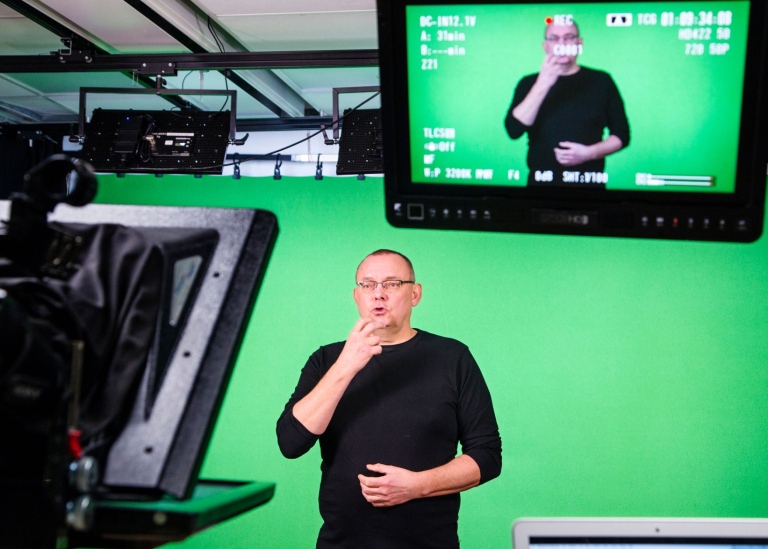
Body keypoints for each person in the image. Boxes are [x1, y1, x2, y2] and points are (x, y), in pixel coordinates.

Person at [276, 249, 502, 549]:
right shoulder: (327, 359)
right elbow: (290, 442)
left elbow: (487, 456)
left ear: (415, 294)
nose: (378, 294)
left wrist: (417, 486)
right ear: (357, 296)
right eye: (368, 285)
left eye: (392, 283)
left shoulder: (453, 358)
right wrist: (347, 365)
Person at [504, 18, 630, 187]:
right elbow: (513, 130)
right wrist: (543, 84)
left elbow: (622, 135)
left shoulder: (601, 81)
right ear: (545, 46)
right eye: (554, 38)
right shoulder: (528, 83)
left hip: (590, 189)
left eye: (569, 37)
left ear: (579, 43)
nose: (562, 44)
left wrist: (588, 153)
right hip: (539, 188)